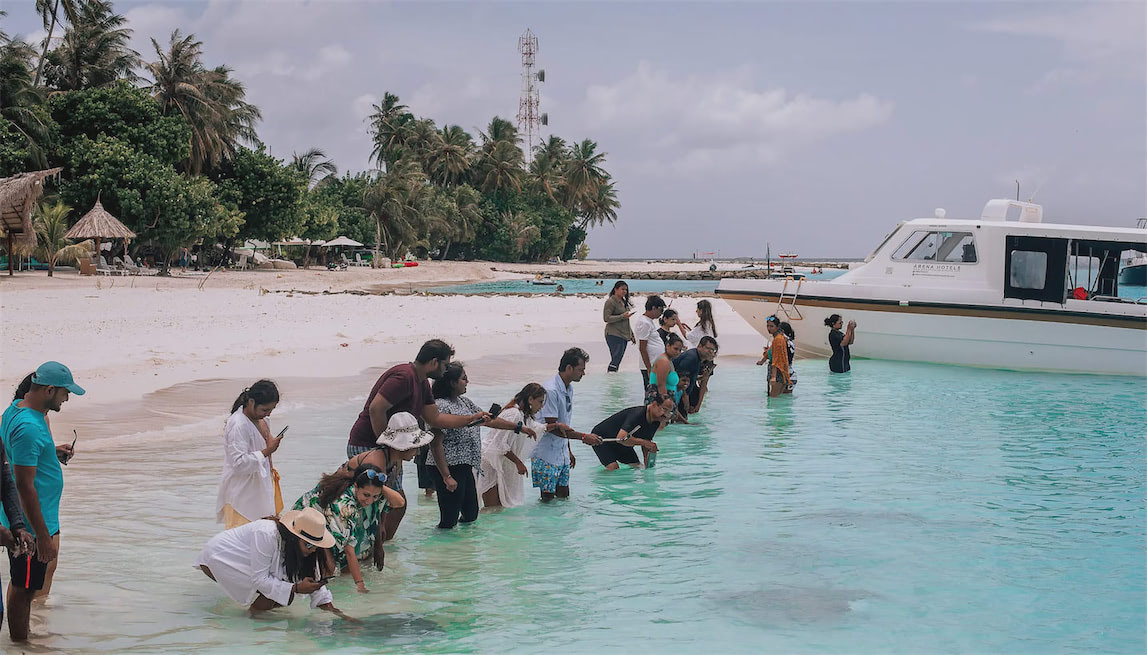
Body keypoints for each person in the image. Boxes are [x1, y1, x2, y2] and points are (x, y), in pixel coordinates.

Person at [345, 339, 491, 540]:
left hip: (391, 449)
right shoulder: (404, 376)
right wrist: (386, 447)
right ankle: (363, 544)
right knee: (377, 502)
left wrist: (471, 419)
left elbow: (434, 418)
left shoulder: (421, 383)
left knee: (394, 504)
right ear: (434, 362)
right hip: (368, 444)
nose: (446, 370)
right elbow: (376, 409)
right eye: (445, 365)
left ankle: (379, 547)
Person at [1, 362, 83, 642]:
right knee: (23, 587)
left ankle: (27, 634)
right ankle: (21, 643)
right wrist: (43, 537)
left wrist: (51, 452)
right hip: (31, 524)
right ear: (49, 390)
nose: (67, 398)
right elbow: (24, 487)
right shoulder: (29, 427)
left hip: (37, 517)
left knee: (27, 582)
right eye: (64, 392)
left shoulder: (17, 410)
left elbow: (17, 458)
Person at [195, 507, 353, 620]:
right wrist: (296, 588)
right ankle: (250, 623)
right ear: (295, 537)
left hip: (245, 560)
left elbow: (318, 588)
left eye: (316, 546)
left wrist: (339, 615)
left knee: (281, 592)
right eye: (309, 544)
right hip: (220, 557)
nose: (312, 550)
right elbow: (260, 580)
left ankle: (255, 619)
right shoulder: (266, 534)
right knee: (279, 592)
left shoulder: (308, 550)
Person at [328, 412, 434, 569]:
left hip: (357, 500)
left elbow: (380, 502)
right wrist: (378, 544)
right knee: (343, 551)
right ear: (402, 446)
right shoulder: (377, 463)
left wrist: (382, 526)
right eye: (414, 447)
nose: (417, 452)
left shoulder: (395, 460)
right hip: (337, 501)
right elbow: (372, 504)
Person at [427, 363, 526, 529]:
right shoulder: (440, 405)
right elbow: (435, 443)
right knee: (449, 519)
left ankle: (464, 544)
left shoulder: (464, 402)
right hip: (448, 466)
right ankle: (440, 542)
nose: (467, 382)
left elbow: (489, 421)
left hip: (465, 465)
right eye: (464, 379)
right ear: (452, 382)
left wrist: (517, 427)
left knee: (471, 514)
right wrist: (446, 476)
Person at [292, 464, 403, 593]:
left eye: (375, 496)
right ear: (356, 486)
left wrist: (377, 485)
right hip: (306, 524)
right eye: (366, 495)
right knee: (330, 570)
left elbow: (399, 502)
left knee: (355, 560)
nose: (369, 501)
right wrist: (360, 585)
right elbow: (349, 550)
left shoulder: (373, 494)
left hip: (330, 521)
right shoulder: (344, 505)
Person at [533, 348, 603, 502]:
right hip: (546, 455)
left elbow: (564, 423)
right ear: (569, 368)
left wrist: (568, 450)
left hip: (561, 452)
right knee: (547, 501)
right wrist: (584, 437)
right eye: (581, 370)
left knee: (564, 498)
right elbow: (553, 427)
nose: (583, 373)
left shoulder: (569, 388)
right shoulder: (551, 390)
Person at [216, 380, 282, 530]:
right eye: (265, 409)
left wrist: (269, 445)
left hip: (260, 489)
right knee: (242, 539)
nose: (268, 413)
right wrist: (267, 451)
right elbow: (239, 464)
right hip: (242, 496)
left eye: (271, 409)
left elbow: (263, 449)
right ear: (251, 402)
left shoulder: (263, 419)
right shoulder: (238, 425)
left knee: (265, 534)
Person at [479, 383, 545, 508]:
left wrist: (556, 426)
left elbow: (536, 428)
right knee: (492, 508)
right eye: (540, 402)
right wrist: (518, 463)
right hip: (489, 461)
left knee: (499, 508)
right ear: (530, 399)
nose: (542, 406)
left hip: (497, 462)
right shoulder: (514, 413)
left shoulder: (524, 416)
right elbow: (499, 444)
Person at [591, 393, 675, 470]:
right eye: (664, 410)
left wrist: (648, 464)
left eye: (669, 412)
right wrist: (646, 443)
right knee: (614, 468)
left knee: (638, 467)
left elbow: (646, 443)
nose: (666, 415)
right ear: (654, 404)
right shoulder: (638, 414)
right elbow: (621, 438)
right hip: (602, 438)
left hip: (622, 443)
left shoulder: (656, 420)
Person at [673, 336, 719, 415]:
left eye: (713, 350)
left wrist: (702, 377)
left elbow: (690, 377)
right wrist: (685, 397)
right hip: (676, 392)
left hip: (681, 392)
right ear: (699, 346)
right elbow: (680, 379)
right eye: (708, 348)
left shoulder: (699, 358)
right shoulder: (691, 358)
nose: (710, 352)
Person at [649, 333, 686, 418]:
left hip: (666, 401)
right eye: (675, 349)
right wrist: (665, 406)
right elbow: (661, 385)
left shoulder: (669, 361)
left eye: (680, 350)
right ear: (668, 346)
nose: (678, 352)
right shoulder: (663, 362)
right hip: (660, 401)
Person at [634, 295, 667, 391]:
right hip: (651, 364)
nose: (661, 314)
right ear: (653, 308)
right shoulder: (645, 323)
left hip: (655, 363)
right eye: (660, 310)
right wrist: (649, 368)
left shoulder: (648, 321)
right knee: (652, 392)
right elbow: (642, 348)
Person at [602, 281, 635, 373]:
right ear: (616, 289)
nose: (624, 291)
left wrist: (631, 334)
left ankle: (614, 377)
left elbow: (626, 320)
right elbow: (606, 318)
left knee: (618, 359)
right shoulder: (610, 302)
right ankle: (610, 377)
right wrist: (622, 316)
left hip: (624, 334)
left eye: (626, 290)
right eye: (622, 289)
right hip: (613, 334)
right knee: (616, 358)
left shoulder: (624, 301)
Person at [756, 317, 790, 397]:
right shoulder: (778, 338)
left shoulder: (778, 339)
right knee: (776, 398)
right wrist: (762, 361)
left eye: (772, 326)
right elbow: (771, 351)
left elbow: (776, 358)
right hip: (780, 371)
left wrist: (774, 377)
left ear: (777, 327)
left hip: (778, 372)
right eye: (768, 326)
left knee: (773, 398)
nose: (769, 328)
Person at [779, 321, 798, 393]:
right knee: (786, 398)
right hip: (791, 374)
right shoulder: (790, 341)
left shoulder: (783, 341)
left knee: (778, 397)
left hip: (784, 375)